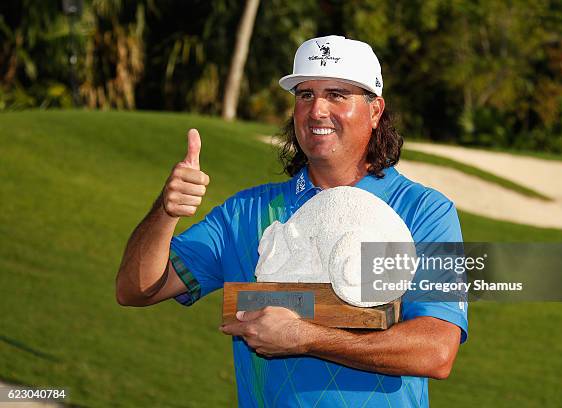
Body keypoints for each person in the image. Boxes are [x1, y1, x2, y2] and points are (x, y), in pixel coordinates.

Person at [116, 35, 468, 407]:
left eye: (336, 95)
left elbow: (436, 350)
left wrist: (304, 338)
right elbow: (136, 290)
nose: (316, 110)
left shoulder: (424, 211)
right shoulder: (246, 212)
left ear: (375, 110)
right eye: (305, 95)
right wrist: (165, 212)